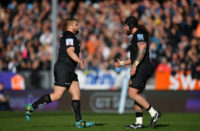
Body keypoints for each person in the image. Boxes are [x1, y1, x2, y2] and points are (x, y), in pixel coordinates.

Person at [25, 18, 94, 128]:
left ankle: (79, 122)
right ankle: (32, 106)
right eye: (76, 25)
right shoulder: (69, 36)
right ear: (70, 27)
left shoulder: (68, 36)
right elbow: (70, 52)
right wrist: (80, 60)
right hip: (64, 68)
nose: (78, 27)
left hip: (69, 69)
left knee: (76, 94)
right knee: (57, 95)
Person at [114, 16, 161, 129]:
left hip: (142, 68)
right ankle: (139, 123)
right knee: (136, 95)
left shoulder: (139, 34)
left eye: (125, 26)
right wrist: (122, 63)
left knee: (132, 93)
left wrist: (135, 66)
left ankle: (154, 113)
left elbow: (143, 50)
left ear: (131, 26)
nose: (124, 29)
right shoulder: (136, 36)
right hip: (142, 67)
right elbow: (135, 57)